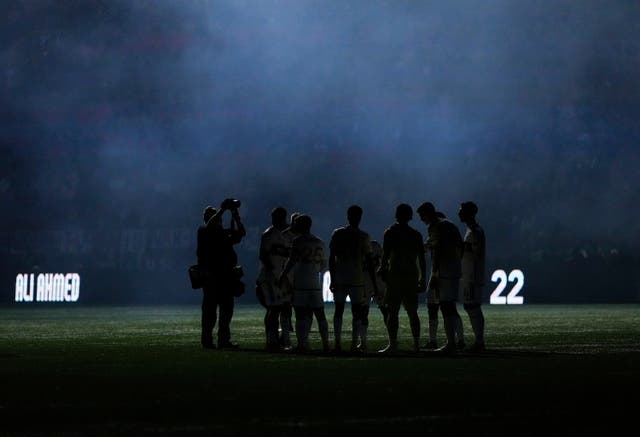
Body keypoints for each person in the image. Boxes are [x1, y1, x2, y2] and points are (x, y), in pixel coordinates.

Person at [196, 199, 246, 350]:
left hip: (226, 276)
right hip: (212, 276)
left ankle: (223, 340)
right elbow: (210, 226)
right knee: (210, 312)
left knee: (226, 311)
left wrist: (236, 217)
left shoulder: (222, 233)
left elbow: (241, 233)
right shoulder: (204, 230)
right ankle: (208, 340)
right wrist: (223, 209)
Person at [377, 203, 426, 353]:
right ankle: (416, 345)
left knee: (393, 311)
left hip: (396, 275)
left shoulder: (390, 232)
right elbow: (422, 259)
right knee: (412, 312)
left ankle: (393, 344)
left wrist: (382, 269)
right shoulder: (416, 234)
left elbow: (385, 255)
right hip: (411, 275)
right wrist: (423, 278)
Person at [328, 205, 378, 353]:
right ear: (360, 217)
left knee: (339, 310)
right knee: (357, 312)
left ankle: (337, 344)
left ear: (347, 216)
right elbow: (369, 262)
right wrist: (374, 284)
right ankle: (353, 345)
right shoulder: (363, 236)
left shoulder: (338, 233)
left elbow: (332, 258)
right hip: (356, 279)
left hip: (342, 278)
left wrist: (333, 278)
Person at [417, 201, 463, 354]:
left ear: (427, 214)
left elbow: (436, 251)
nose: (422, 220)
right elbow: (460, 246)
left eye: (422, 216)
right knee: (450, 305)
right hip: (454, 270)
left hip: (443, 272)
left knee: (445, 306)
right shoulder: (450, 225)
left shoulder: (435, 227)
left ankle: (450, 342)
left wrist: (435, 274)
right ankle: (458, 340)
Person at [279, 214, 330, 352]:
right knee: (320, 314)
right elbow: (324, 264)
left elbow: (292, 260)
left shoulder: (298, 241)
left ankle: (301, 344)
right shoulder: (320, 241)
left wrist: (283, 275)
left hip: (301, 282)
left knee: (300, 314)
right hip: (315, 283)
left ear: (302, 225)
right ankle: (326, 344)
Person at [257, 207, 291, 351]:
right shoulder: (269, 234)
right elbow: (263, 255)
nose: (273, 220)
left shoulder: (290, 234)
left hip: (286, 277)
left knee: (286, 309)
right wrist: (273, 273)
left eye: (275, 216)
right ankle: (271, 340)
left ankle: (284, 339)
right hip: (272, 278)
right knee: (274, 309)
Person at [458, 201, 487, 352]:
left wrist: (462, 247)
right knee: (470, 307)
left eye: (461, 210)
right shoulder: (471, 230)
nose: (459, 213)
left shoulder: (475, 231)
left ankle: (479, 341)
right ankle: (479, 340)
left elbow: (476, 253)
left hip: (473, 276)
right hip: (468, 275)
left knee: (473, 307)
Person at [280, 212, 300, 344]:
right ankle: (285, 335)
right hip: (288, 273)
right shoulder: (285, 235)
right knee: (286, 305)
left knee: (299, 306)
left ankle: (299, 337)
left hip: (298, 273)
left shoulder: (301, 237)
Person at [364, 240, 387, 327]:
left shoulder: (372, 245)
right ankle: (392, 338)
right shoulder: (375, 245)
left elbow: (384, 260)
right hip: (375, 281)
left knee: (364, 312)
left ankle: (362, 339)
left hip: (370, 281)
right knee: (384, 310)